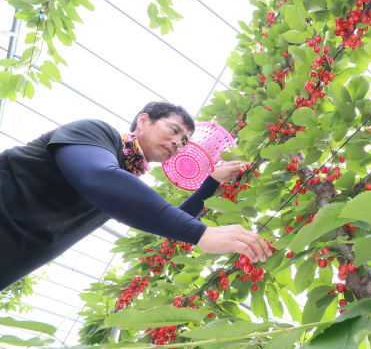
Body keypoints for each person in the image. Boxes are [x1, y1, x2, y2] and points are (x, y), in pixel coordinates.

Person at [0, 101, 271, 291]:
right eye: (174, 130)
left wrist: (211, 182)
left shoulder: (123, 186)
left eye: (185, 141)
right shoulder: (96, 132)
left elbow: (167, 222)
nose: (178, 143)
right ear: (143, 120)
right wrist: (203, 234)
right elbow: (98, 178)